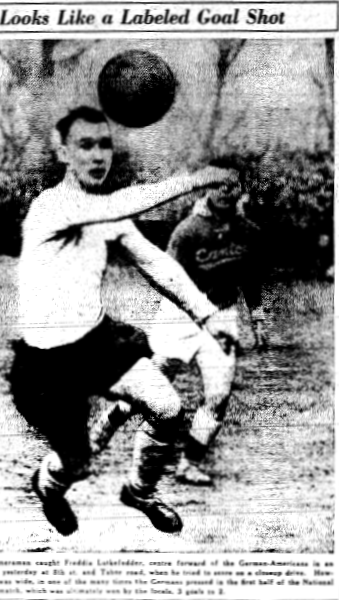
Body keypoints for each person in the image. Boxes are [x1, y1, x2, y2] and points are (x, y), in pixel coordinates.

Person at [9, 106, 231, 536]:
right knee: (75, 462)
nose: (97, 155)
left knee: (169, 410)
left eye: (104, 144)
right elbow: (125, 202)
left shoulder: (109, 215)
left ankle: (139, 491)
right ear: (62, 153)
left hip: (97, 342)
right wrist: (196, 179)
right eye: (85, 145)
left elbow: (156, 264)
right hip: (48, 363)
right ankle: (49, 487)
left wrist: (206, 314)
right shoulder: (50, 207)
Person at [91, 176, 268, 485]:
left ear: (241, 189)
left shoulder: (249, 232)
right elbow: (168, 276)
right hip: (180, 315)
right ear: (208, 187)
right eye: (220, 184)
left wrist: (258, 316)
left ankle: (189, 463)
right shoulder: (187, 231)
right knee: (152, 386)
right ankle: (107, 423)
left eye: (233, 185)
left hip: (222, 317)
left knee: (219, 397)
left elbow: (250, 275)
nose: (225, 191)